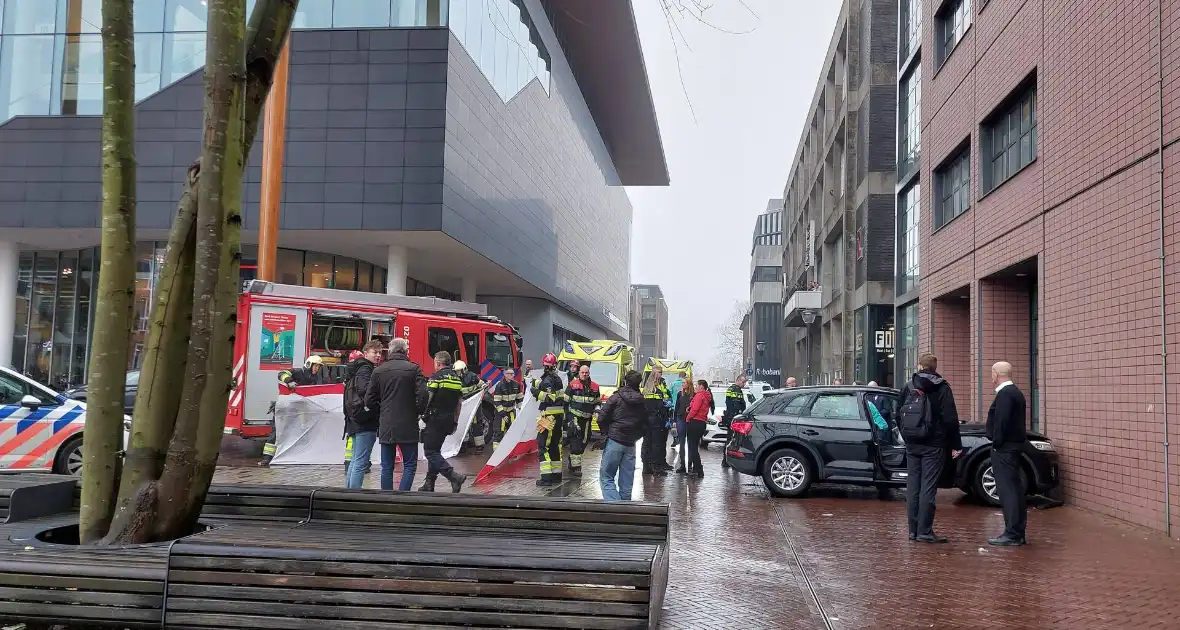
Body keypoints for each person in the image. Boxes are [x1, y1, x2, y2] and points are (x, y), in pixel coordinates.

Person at [898, 353, 962, 543]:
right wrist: (955, 445)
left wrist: (906, 436)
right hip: (934, 445)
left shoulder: (908, 387)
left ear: (919, 366)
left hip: (912, 444)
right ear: (935, 367)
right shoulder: (942, 387)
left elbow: (897, 414)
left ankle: (912, 530)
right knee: (928, 487)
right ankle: (924, 531)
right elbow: (950, 419)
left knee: (913, 486)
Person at [365, 338, 428, 491]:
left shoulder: (379, 370)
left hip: (386, 424)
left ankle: (386, 501)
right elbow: (423, 395)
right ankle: (402, 499)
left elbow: (369, 399)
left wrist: (381, 410)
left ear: (391, 351)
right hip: (408, 424)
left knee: (387, 466)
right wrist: (417, 411)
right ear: (405, 351)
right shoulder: (414, 369)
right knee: (410, 465)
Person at [986, 361, 1028, 546]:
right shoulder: (1016, 393)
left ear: (996, 374)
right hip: (1012, 447)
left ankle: (1012, 533)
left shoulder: (1005, 395)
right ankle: (1016, 531)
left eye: (991, 373)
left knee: (1008, 490)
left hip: (1005, 449)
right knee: (1014, 489)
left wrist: (996, 443)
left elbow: (1001, 422)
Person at [417, 351, 468, 493]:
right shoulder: (457, 380)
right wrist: (455, 421)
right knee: (436, 451)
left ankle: (453, 476)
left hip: (435, 419)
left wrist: (422, 416)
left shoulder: (436, 377)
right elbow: (459, 403)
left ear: (438, 363)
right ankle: (429, 483)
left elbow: (428, 398)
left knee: (430, 452)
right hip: (449, 420)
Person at [264, 355, 328, 466]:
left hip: (303, 410)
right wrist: (289, 381)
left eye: (318, 367)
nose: (317, 369)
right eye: (315, 366)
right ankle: (266, 458)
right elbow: (281, 374)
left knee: (304, 432)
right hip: (286, 409)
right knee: (277, 434)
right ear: (309, 364)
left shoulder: (317, 379)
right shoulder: (298, 373)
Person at [597, 370, 646, 501]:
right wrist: (635, 436)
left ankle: (615, 508)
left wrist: (606, 433)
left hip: (614, 440)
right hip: (630, 444)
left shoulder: (616, 397)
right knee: (627, 482)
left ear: (625, 381)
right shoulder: (641, 400)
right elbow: (646, 424)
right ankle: (625, 511)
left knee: (606, 477)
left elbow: (601, 418)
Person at [343, 341, 384, 489]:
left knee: (355, 460)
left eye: (380, 352)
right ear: (366, 353)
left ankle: (348, 493)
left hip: (355, 419)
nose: (378, 355)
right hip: (365, 420)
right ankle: (354, 496)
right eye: (375, 352)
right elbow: (365, 390)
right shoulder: (366, 369)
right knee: (361, 462)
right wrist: (377, 403)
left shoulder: (357, 368)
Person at [530, 352, 567, 486]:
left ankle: (546, 478)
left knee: (543, 446)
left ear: (544, 366)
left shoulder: (547, 380)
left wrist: (534, 391)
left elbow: (548, 397)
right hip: (558, 418)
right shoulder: (558, 379)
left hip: (548, 418)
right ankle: (556, 475)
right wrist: (537, 383)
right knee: (554, 446)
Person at [564, 364, 600, 476]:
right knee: (575, 441)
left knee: (585, 441)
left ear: (589, 373)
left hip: (587, 419)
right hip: (575, 417)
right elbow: (566, 402)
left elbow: (597, 401)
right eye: (582, 372)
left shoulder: (595, 386)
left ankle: (573, 459)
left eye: (586, 373)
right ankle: (576, 467)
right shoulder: (573, 385)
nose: (584, 374)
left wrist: (598, 409)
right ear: (579, 373)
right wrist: (568, 419)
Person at [640, 366, 671, 476]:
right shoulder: (656, 390)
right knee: (656, 444)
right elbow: (659, 406)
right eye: (659, 373)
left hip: (647, 420)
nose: (660, 375)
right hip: (656, 420)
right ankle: (656, 468)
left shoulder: (646, 389)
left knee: (647, 443)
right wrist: (665, 407)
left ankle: (646, 466)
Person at [453, 360, 486, 452]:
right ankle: (464, 444)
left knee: (476, 423)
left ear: (464, 370)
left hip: (474, 403)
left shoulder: (472, 376)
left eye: (459, 371)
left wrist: (484, 386)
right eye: (456, 371)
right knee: (462, 422)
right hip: (463, 404)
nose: (457, 373)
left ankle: (479, 446)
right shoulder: (454, 378)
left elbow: (481, 384)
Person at [684, 379, 712, 477]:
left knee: (692, 447)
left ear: (701, 387)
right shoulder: (706, 396)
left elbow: (695, 409)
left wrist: (688, 418)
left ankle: (699, 469)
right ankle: (696, 469)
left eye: (697, 385)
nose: (695, 387)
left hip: (695, 422)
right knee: (694, 446)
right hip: (701, 423)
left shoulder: (700, 395)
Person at [490, 367, 522, 449]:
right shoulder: (499, 386)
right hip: (501, 413)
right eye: (510, 374)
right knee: (499, 432)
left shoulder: (517, 385)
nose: (512, 375)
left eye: (513, 373)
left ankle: (509, 450)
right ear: (505, 374)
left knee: (512, 432)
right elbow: (497, 402)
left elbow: (519, 399)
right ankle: (496, 453)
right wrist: (503, 415)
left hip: (511, 411)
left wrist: (521, 411)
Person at [721, 375, 748, 470]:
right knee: (733, 439)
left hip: (730, 417)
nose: (744, 384)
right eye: (743, 382)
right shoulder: (736, 390)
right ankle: (727, 460)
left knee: (730, 438)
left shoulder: (731, 389)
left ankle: (726, 460)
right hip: (734, 418)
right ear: (738, 381)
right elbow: (737, 404)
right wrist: (741, 414)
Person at [672, 378, 694, 474]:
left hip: (690, 420)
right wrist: (674, 420)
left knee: (690, 443)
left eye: (684, 383)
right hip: (680, 418)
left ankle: (689, 465)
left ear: (689, 384)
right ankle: (682, 465)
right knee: (682, 442)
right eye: (682, 383)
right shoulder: (679, 394)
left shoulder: (693, 395)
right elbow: (677, 407)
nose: (683, 384)